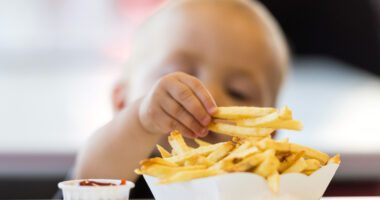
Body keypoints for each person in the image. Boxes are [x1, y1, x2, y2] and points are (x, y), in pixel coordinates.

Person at [73, 0, 289, 198]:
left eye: (237, 92)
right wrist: (141, 121)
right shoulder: (123, 172)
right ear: (122, 103)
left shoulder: (268, 190)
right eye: (178, 75)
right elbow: (88, 182)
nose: (208, 97)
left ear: (270, 131)